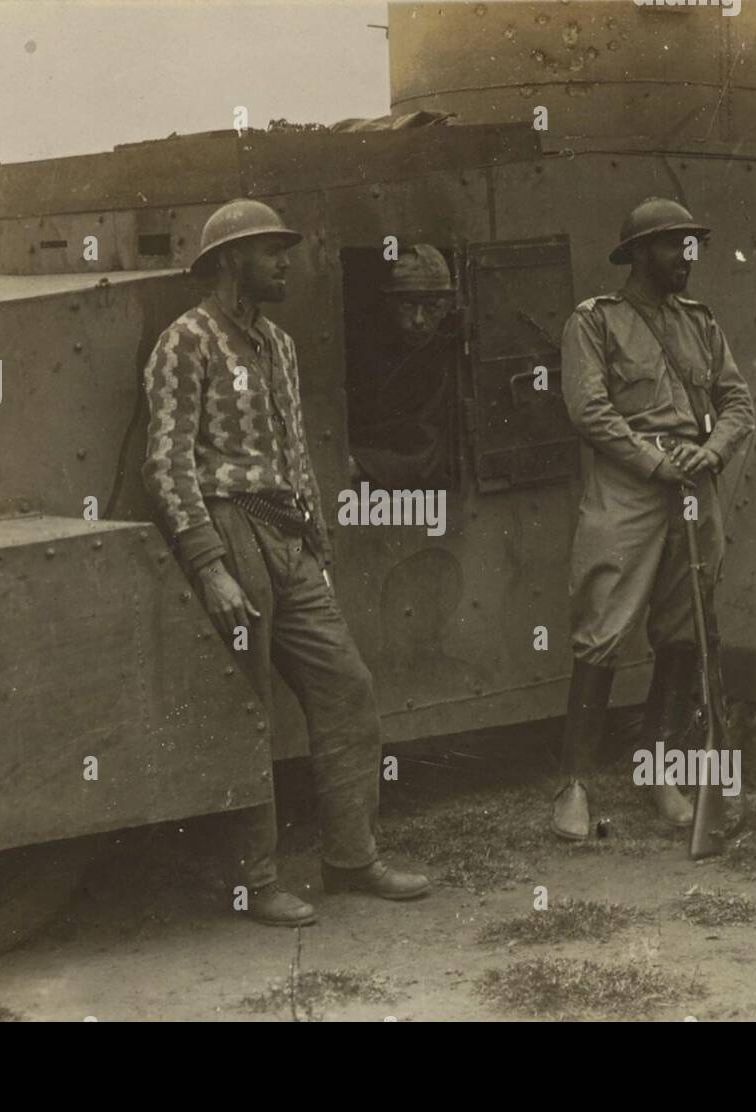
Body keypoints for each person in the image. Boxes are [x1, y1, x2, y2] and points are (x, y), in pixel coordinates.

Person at [141, 198, 430, 924]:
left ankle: (350, 858)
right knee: (245, 710)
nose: (285, 262)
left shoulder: (280, 344)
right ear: (229, 261)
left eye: (285, 248)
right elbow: (167, 465)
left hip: (286, 538)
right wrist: (208, 564)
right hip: (227, 532)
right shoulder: (187, 342)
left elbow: (296, 453)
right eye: (270, 250)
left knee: (347, 688)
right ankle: (253, 879)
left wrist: (317, 544)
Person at [552, 197, 755, 841]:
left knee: (683, 629)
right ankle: (575, 785)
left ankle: (659, 773)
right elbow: (591, 412)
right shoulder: (594, 322)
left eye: (692, 244)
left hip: (697, 485)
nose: (686, 257)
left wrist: (712, 450)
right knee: (603, 628)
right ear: (639, 254)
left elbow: (737, 402)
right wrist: (655, 462)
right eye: (674, 245)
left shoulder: (701, 322)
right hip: (629, 490)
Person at [349, 244, 455, 489]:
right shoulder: (367, 349)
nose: (418, 319)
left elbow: (432, 456)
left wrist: (361, 465)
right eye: (408, 306)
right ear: (389, 304)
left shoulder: (448, 361)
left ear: (448, 308)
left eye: (431, 307)